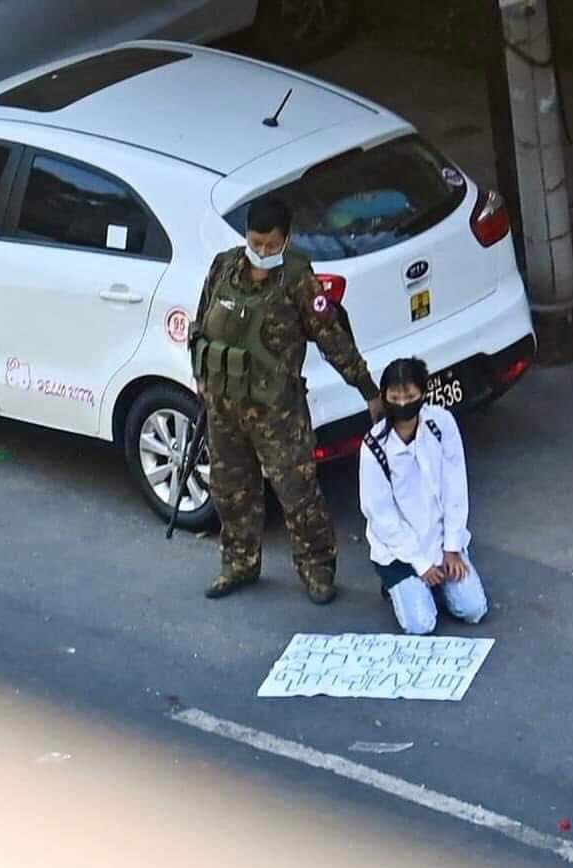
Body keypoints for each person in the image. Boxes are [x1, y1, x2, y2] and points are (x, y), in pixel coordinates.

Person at [189, 195, 382, 603]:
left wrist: (368, 391)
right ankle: (238, 563)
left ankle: (317, 569)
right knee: (229, 489)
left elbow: (333, 338)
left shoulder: (297, 279)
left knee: (297, 492)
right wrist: (202, 383)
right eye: (256, 242)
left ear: (286, 239)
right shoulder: (224, 267)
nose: (262, 252)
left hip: (277, 413)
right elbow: (201, 327)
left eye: (271, 245)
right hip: (224, 407)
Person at [359, 357, 488, 635]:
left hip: (440, 540)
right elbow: (380, 514)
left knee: (473, 608)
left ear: (423, 394)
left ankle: (437, 582)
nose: (403, 404)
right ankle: (398, 586)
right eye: (395, 397)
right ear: (384, 397)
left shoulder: (441, 424)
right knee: (421, 625)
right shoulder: (373, 446)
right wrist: (419, 562)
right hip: (400, 551)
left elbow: (455, 486)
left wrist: (452, 547)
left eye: (410, 396)